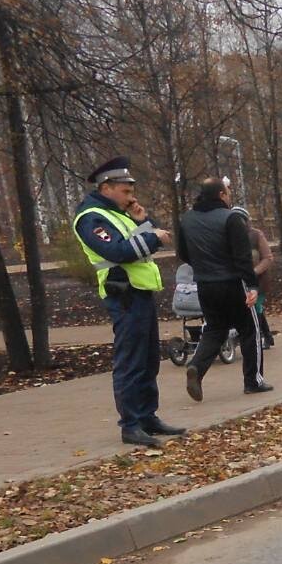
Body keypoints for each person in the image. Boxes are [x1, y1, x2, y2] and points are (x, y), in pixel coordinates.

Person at [71, 156, 185, 448]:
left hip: (139, 292)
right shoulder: (91, 217)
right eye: (126, 190)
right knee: (131, 362)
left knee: (147, 359)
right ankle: (130, 424)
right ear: (107, 187)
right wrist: (153, 236)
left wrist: (142, 221)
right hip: (123, 294)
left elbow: (139, 242)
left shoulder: (118, 212)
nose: (131, 195)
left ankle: (148, 416)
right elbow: (119, 250)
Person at [178, 175, 269, 400]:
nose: (229, 197)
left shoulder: (187, 220)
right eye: (228, 193)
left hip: (205, 285)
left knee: (214, 329)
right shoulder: (230, 219)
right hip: (233, 283)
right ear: (221, 194)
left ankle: (197, 367)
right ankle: (253, 381)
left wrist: (202, 267)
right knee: (250, 330)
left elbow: (182, 253)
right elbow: (243, 257)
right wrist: (252, 286)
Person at [235, 206, 276, 348]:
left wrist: (254, 271)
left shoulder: (256, 235)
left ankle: (258, 339)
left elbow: (268, 258)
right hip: (240, 281)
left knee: (256, 306)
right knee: (255, 308)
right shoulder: (229, 236)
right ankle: (268, 337)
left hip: (258, 281)